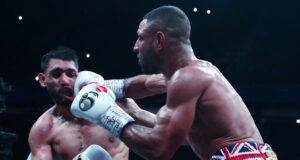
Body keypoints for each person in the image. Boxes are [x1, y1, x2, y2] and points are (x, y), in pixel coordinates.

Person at [71, 6, 278, 160]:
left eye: (141, 38)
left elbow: (158, 149)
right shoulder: (194, 74)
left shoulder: (188, 77)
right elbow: (146, 85)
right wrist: (109, 89)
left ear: (160, 40)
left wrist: (106, 114)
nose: (135, 47)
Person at [28, 46, 129, 160]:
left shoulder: (114, 106)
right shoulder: (44, 129)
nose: (65, 81)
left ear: (79, 76)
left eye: (71, 74)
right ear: (43, 79)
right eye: (56, 74)